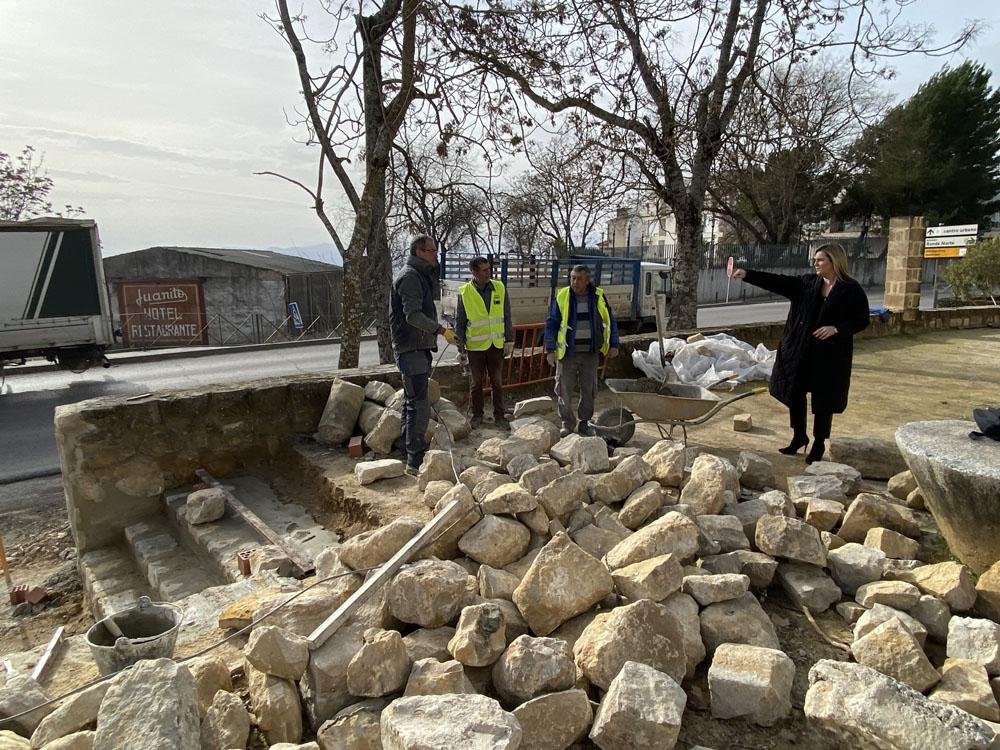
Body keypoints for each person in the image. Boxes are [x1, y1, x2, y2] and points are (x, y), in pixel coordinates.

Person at [733, 243, 870, 464]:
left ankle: (818, 443)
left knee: (823, 400)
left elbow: (862, 320)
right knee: (794, 392)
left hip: (830, 356)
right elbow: (778, 281)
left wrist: (836, 328)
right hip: (799, 350)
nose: (815, 263)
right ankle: (799, 436)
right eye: (815, 260)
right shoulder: (807, 283)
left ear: (834, 261)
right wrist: (747, 274)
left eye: (820, 260)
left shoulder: (851, 289)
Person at [390, 235, 457, 476]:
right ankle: (414, 461)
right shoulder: (410, 277)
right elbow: (413, 316)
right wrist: (440, 330)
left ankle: (407, 453)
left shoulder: (418, 275)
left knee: (412, 402)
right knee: (418, 405)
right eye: (431, 251)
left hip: (416, 347)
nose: (435, 256)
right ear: (419, 252)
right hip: (411, 348)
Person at [544, 264, 620, 437]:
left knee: (589, 390)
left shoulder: (598, 296)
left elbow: (610, 321)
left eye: (579, 279)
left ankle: (584, 422)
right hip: (567, 354)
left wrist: (613, 344)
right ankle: (567, 423)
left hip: (590, 353)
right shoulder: (563, 295)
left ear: (587, 280)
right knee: (564, 390)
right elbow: (552, 323)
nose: (575, 282)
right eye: (572, 278)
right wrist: (550, 349)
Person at [455, 256, 514, 430]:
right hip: (475, 347)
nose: (489, 272)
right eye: (484, 270)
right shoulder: (465, 292)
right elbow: (460, 321)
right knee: (476, 383)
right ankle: (477, 415)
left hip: (495, 344)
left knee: (497, 382)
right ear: (474, 271)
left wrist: (509, 339)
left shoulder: (499, 287)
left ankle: (499, 416)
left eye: (489, 269)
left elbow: (507, 314)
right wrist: (461, 348)